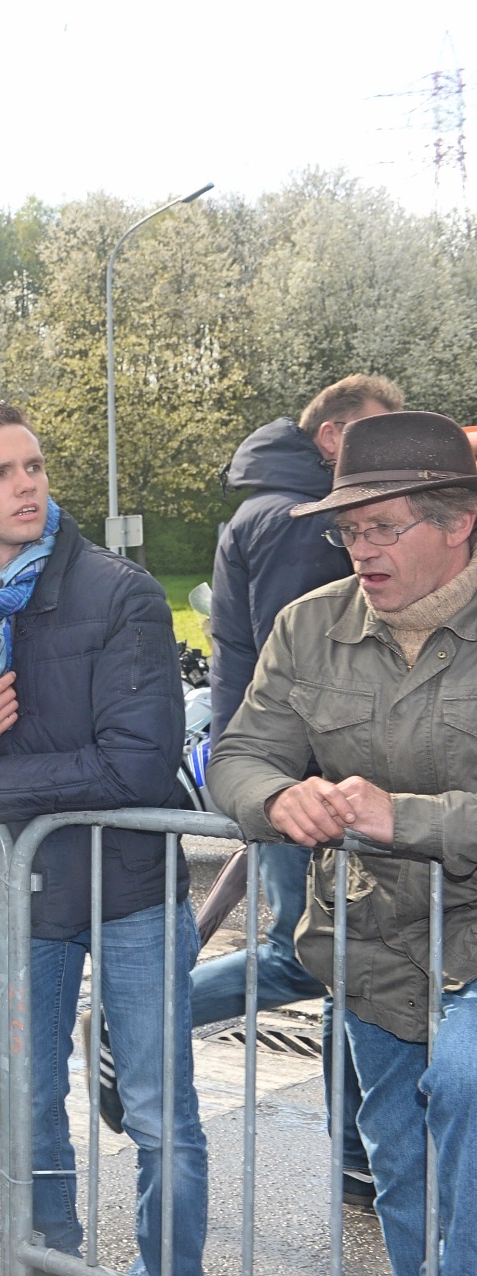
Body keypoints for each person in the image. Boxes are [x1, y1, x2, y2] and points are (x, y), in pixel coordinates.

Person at [0, 401, 206, 1274]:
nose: (26, 484)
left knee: (158, 1112)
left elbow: (138, 764)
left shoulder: (120, 592)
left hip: (133, 891)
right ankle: (47, 1260)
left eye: (32, 466)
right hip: (19, 895)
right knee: (30, 1104)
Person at [208, 410, 477, 1275]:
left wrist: (411, 819)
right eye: (349, 528)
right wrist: (278, 796)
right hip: (370, 951)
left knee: (467, 1094)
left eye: (384, 526)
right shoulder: (308, 626)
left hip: (471, 939)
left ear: (457, 522)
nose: (361, 548)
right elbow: (242, 753)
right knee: (399, 1167)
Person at [185, 374, 398, 1207]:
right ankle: (140, 1018)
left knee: (345, 961)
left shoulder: (279, 508)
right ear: (335, 438)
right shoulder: (296, 522)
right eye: (377, 438)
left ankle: (355, 1145)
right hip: (290, 776)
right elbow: (307, 662)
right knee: (306, 957)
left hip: (293, 773)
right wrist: (289, 782)